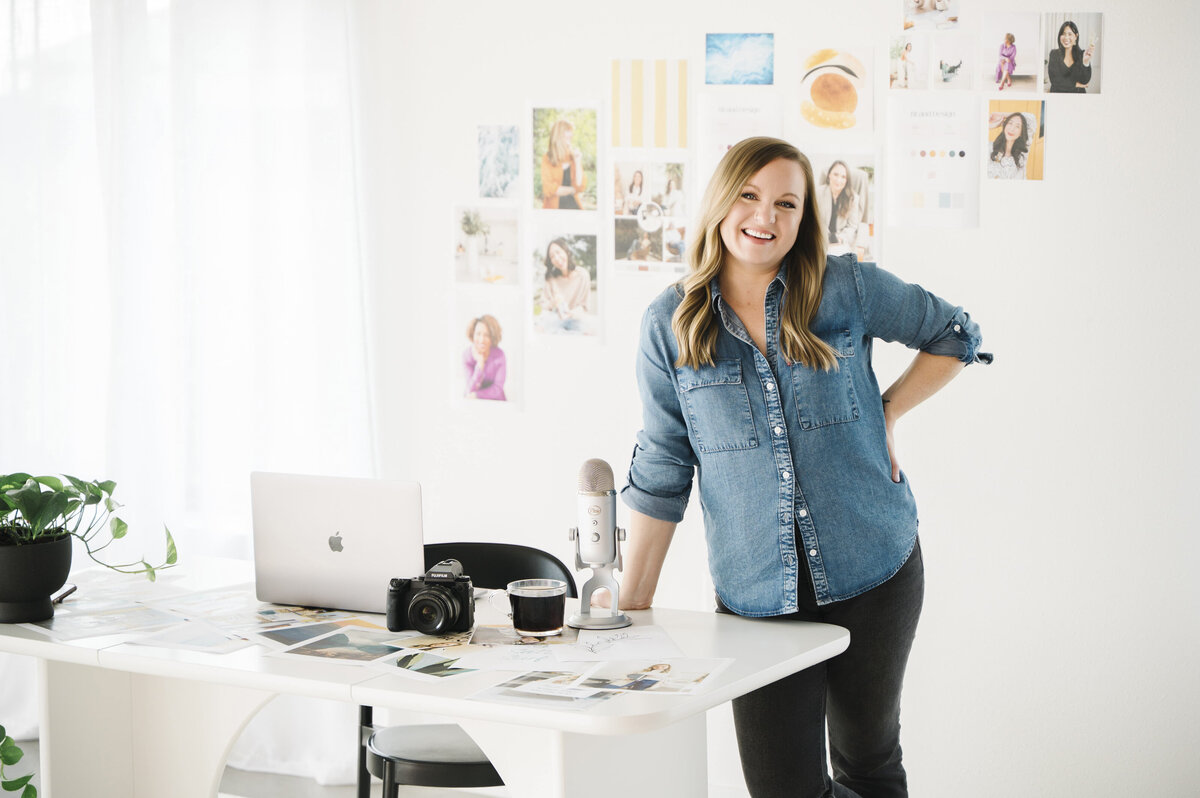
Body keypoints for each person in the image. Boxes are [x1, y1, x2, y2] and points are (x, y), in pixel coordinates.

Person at [614, 136, 989, 798]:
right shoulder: (669, 324)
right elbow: (663, 464)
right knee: (781, 786)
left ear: (804, 216)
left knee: (868, 764)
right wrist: (631, 609)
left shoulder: (844, 287)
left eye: (787, 202)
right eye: (750, 196)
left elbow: (954, 333)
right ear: (720, 203)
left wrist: (888, 411)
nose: (766, 216)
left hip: (875, 567)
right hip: (756, 596)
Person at [541, 238, 591, 332]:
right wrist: (553, 303)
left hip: (577, 321)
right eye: (552, 256)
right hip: (556, 322)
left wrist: (572, 313)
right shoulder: (551, 279)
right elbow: (544, 306)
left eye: (558, 252)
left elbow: (584, 306)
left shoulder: (582, 275)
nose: (556, 258)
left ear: (566, 251)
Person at [814, 160, 862, 254]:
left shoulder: (853, 198)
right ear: (829, 175)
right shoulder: (817, 193)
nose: (839, 180)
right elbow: (813, 220)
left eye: (843, 177)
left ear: (847, 180)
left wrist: (840, 238)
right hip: (820, 240)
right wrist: (825, 238)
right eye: (835, 174)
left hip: (841, 243)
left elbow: (852, 226)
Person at [540, 118, 587, 209]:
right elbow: (549, 189)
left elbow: (580, 186)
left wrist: (577, 162)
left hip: (574, 207)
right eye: (567, 131)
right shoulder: (547, 158)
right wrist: (572, 190)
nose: (571, 135)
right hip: (554, 209)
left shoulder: (573, 157)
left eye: (571, 132)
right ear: (558, 134)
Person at [463, 314, 506, 400]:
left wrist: (477, 395)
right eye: (478, 334)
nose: (481, 340)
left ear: (492, 337)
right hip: (474, 403)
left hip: (497, 403)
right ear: (473, 334)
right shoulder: (467, 356)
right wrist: (479, 365)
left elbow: (497, 389)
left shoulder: (499, 355)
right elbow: (470, 390)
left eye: (487, 335)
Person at [1047, 20, 1094, 93]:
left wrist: (1085, 62)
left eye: (1070, 34)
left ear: (1076, 36)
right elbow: (1055, 81)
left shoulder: (1082, 54)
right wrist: (1076, 84)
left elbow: (1085, 81)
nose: (1066, 37)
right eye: (1063, 34)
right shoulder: (1054, 54)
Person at [987, 111, 1030, 180]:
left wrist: (1002, 114)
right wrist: (989, 126)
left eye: (1017, 126)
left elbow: (1031, 119)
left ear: (1021, 133)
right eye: (1010, 123)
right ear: (1005, 125)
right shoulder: (989, 147)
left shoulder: (1020, 158)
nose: (1012, 129)